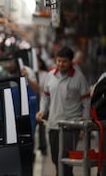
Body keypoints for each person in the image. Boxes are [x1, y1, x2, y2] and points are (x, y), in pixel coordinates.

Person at [36, 46, 91, 176]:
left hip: (71, 126)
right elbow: (45, 97)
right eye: (58, 61)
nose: (61, 64)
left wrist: (85, 122)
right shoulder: (50, 76)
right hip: (53, 125)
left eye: (64, 61)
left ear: (71, 61)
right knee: (56, 159)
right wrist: (42, 111)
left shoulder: (79, 78)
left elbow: (86, 102)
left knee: (65, 162)